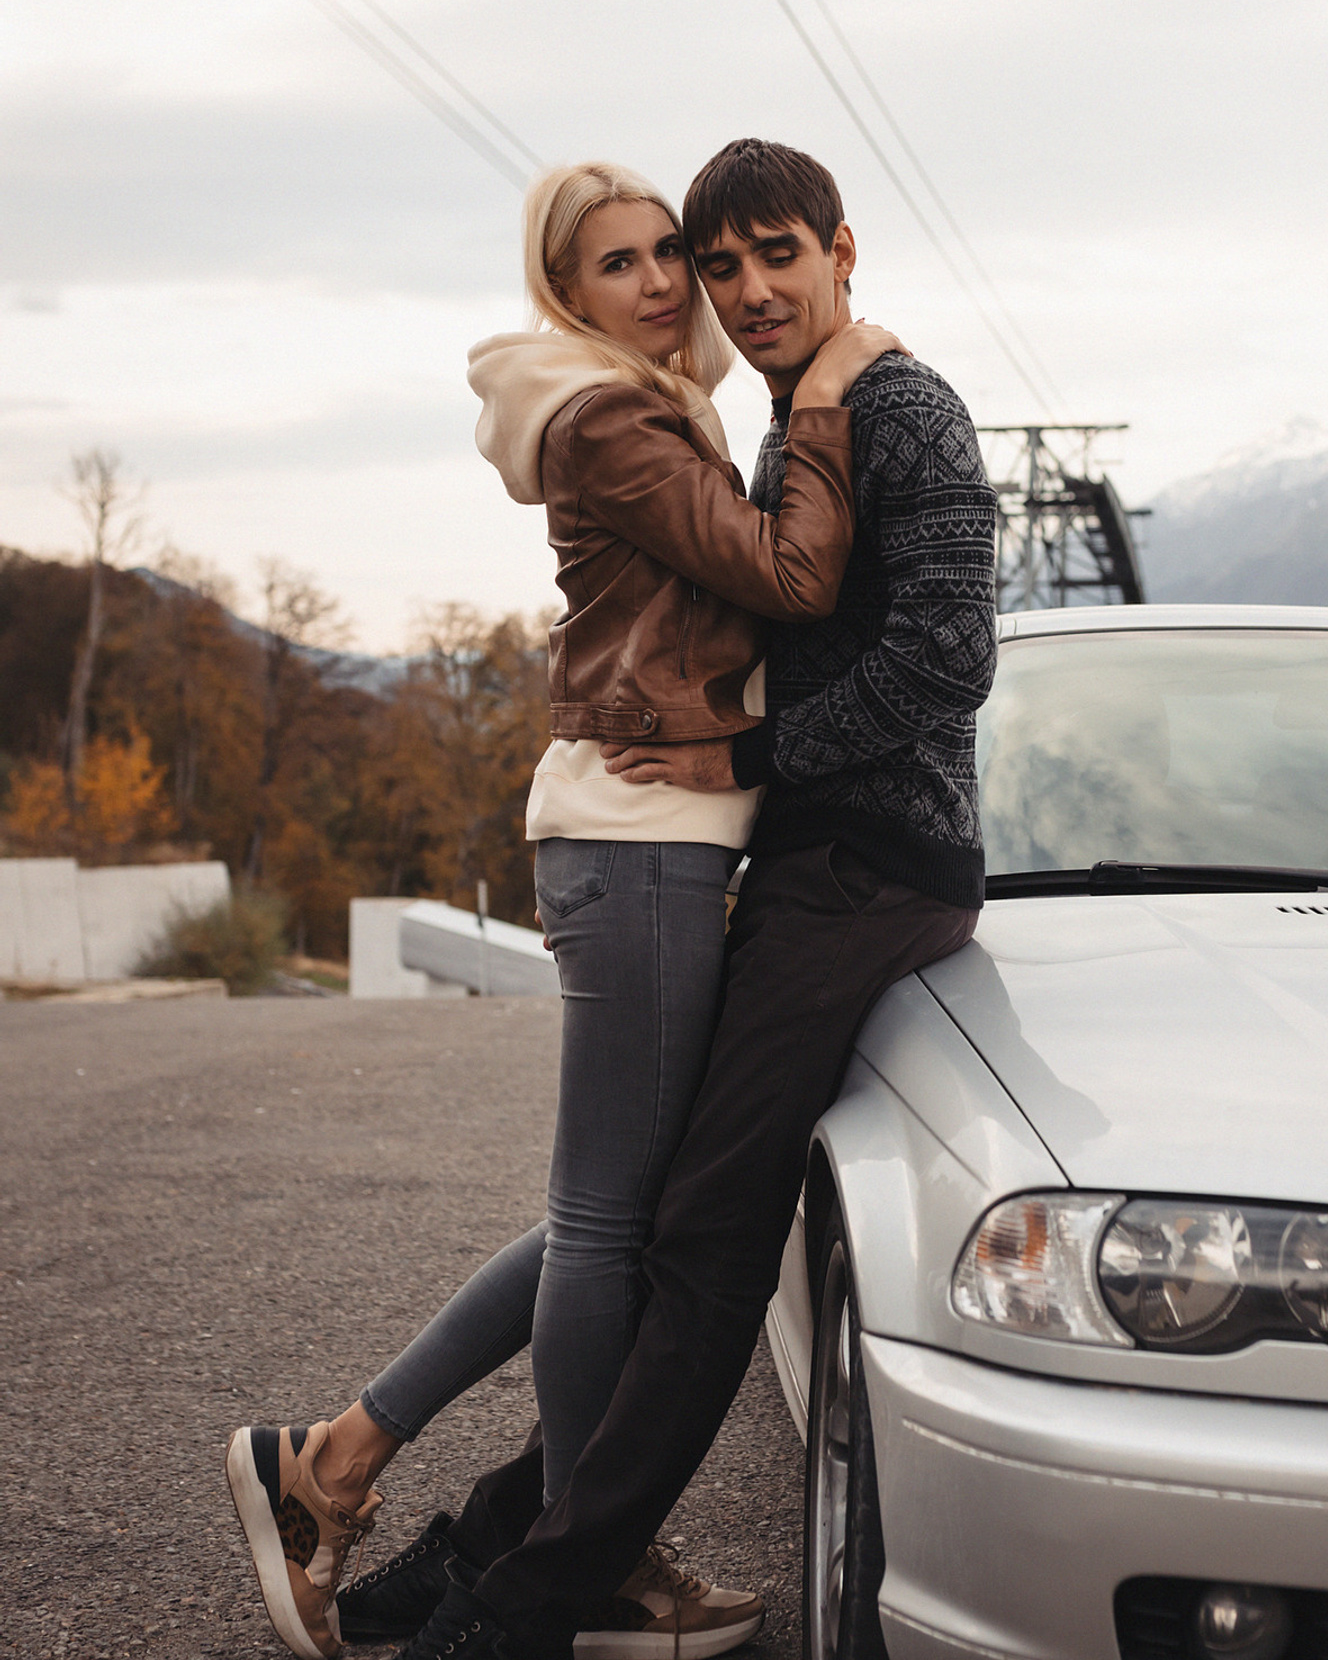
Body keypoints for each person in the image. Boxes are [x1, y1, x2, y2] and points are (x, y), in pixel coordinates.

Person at [224, 159, 901, 1660]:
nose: (662, 284)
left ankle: (339, 1456)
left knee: (618, 1214)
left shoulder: (654, 401)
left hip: (655, 837)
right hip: (640, 836)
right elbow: (790, 572)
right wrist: (831, 388)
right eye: (619, 265)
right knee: (608, 1226)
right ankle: (583, 1558)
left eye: (669, 254)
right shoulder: (610, 416)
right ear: (564, 291)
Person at [357, 137, 999, 1660]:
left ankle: (518, 1600)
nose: (746, 289)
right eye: (723, 266)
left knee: (701, 1241)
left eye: (776, 254)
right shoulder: (785, 415)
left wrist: (755, 751)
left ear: (842, 252)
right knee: (666, 1228)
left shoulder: (900, 407)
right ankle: (497, 1541)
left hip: (874, 867)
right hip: (799, 859)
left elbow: (949, 658)